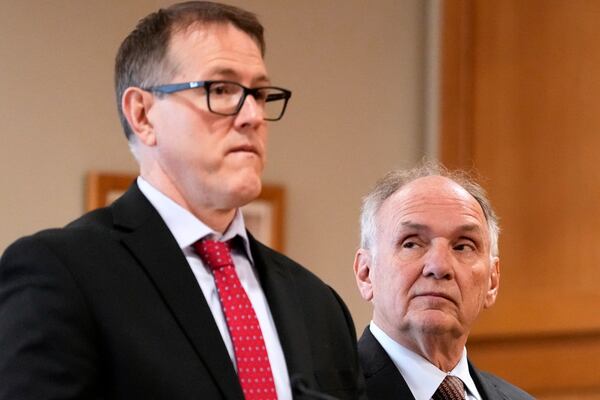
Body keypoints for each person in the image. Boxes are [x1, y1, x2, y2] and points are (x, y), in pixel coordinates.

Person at [0, 2, 365, 399]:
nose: (252, 116)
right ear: (142, 115)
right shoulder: (63, 274)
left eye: (259, 93)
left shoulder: (318, 304)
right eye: (221, 89)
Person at [353, 164, 534, 400]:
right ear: (366, 273)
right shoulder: (321, 392)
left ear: (492, 280)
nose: (439, 267)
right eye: (412, 243)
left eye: (463, 246)